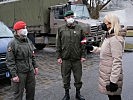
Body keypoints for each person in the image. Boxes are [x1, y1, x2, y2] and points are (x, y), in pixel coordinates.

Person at [91, 13, 126, 100]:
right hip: (107, 73)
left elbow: (117, 61)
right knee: (111, 96)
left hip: (111, 75)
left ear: (111, 24)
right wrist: (93, 48)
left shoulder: (115, 39)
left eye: (104, 23)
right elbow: (105, 51)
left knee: (114, 97)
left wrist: (113, 81)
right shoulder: (109, 37)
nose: (102, 24)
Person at [56, 10, 86, 100]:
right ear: (65, 18)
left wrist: (83, 55)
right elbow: (58, 43)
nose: (70, 18)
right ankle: (66, 94)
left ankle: (78, 93)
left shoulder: (79, 28)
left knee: (78, 77)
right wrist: (58, 56)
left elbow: (83, 42)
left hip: (77, 58)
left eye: (71, 16)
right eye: (68, 17)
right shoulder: (61, 29)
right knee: (65, 77)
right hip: (65, 58)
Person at [6, 21, 39, 100]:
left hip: (30, 70)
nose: (25, 30)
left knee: (31, 91)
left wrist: (35, 66)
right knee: (18, 94)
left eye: (25, 28)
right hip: (20, 72)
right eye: (23, 28)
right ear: (17, 30)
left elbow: (32, 55)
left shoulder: (28, 40)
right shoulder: (13, 43)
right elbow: (10, 61)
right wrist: (14, 75)